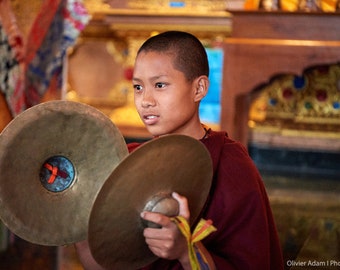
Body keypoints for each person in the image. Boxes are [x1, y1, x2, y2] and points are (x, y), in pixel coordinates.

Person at [75, 31, 284, 270]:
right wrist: (82, 232)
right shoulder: (128, 160)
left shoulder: (232, 166)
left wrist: (186, 250)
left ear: (199, 88)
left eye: (160, 85)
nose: (145, 100)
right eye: (138, 87)